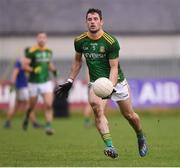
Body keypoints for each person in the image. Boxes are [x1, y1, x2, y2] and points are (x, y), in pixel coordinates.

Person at [55, 8, 148, 158]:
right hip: (96, 84)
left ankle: (140, 136)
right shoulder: (80, 41)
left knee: (130, 116)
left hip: (116, 82)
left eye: (95, 19)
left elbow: (114, 68)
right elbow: (77, 62)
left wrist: (110, 87)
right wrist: (70, 80)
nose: (92, 22)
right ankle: (110, 146)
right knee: (97, 109)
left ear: (101, 21)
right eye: (90, 19)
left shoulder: (111, 42)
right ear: (86, 22)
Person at [22, 32, 57, 135]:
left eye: (44, 37)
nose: (42, 39)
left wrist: (54, 70)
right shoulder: (32, 51)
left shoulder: (48, 51)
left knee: (49, 104)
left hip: (46, 81)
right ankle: (27, 117)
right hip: (34, 82)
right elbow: (24, 66)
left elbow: (49, 64)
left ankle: (48, 126)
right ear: (37, 39)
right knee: (32, 106)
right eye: (40, 37)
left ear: (46, 39)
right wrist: (33, 70)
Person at [3, 55, 41, 128]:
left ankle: (7, 122)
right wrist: (13, 83)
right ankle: (34, 123)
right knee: (29, 104)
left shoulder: (21, 63)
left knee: (16, 106)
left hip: (21, 87)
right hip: (22, 87)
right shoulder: (20, 62)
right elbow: (15, 72)